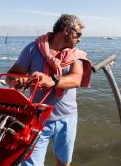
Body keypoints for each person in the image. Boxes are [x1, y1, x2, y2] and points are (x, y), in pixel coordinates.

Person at [6, 14, 91, 166]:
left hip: (67, 117)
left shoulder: (75, 54)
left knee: (64, 163)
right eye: (78, 34)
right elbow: (10, 78)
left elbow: (76, 79)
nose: (80, 39)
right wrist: (20, 80)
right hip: (36, 118)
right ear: (66, 30)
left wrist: (52, 81)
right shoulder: (32, 49)